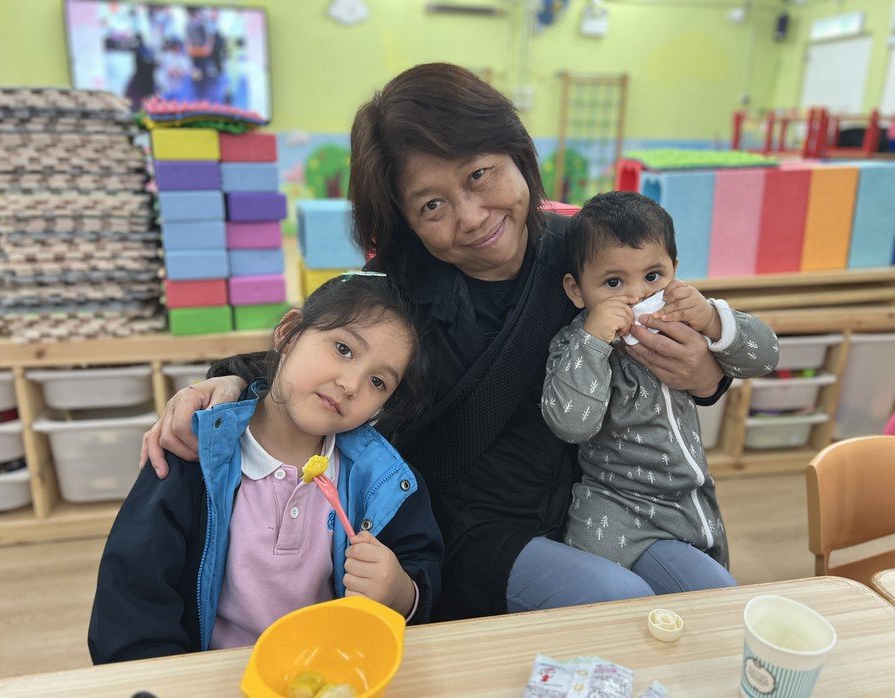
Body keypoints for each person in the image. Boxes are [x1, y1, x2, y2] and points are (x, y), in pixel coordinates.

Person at [141, 63, 733, 621]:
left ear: (517, 153)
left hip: (601, 500)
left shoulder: (588, 252)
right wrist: (229, 379)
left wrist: (708, 373)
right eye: (432, 205)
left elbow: (684, 337)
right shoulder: (398, 291)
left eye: (479, 174)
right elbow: (318, 348)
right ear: (405, 222)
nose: (471, 217)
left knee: (717, 599)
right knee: (621, 605)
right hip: (471, 528)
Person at [89, 274, 443, 663]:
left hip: (329, 676)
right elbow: (132, 604)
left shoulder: (385, 481)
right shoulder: (194, 451)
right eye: (343, 348)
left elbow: (418, 570)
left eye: (378, 381)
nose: (350, 384)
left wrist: (402, 593)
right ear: (288, 335)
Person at [542, 191, 779, 593]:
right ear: (577, 291)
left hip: (689, 501)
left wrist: (712, 320)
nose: (637, 295)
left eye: (653, 276)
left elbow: (766, 356)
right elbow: (571, 424)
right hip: (614, 507)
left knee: (710, 594)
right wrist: (593, 340)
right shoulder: (575, 344)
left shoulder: (686, 319)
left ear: (675, 270)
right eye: (613, 282)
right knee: (608, 608)